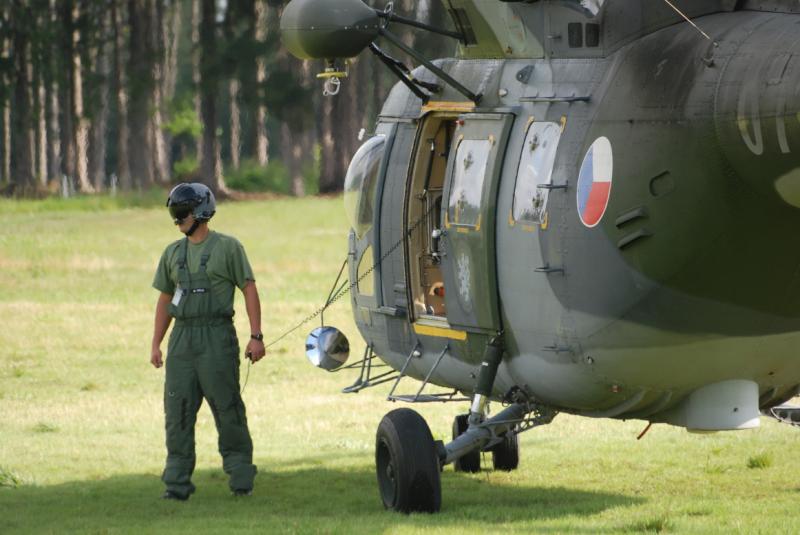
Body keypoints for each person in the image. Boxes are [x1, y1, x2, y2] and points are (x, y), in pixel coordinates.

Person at [150, 182, 266, 501]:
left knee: (227, 408)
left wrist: (256, 336)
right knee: (177, 411)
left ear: (202, 211)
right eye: (174, 213)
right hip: (181, 340)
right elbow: (165, 299)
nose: (177, 220)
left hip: (216, 337)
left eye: (182, 212)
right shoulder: (172, 254)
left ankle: (241, 479)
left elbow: (249, 288)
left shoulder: (229, 248)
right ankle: (176, 484)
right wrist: (156, 343)